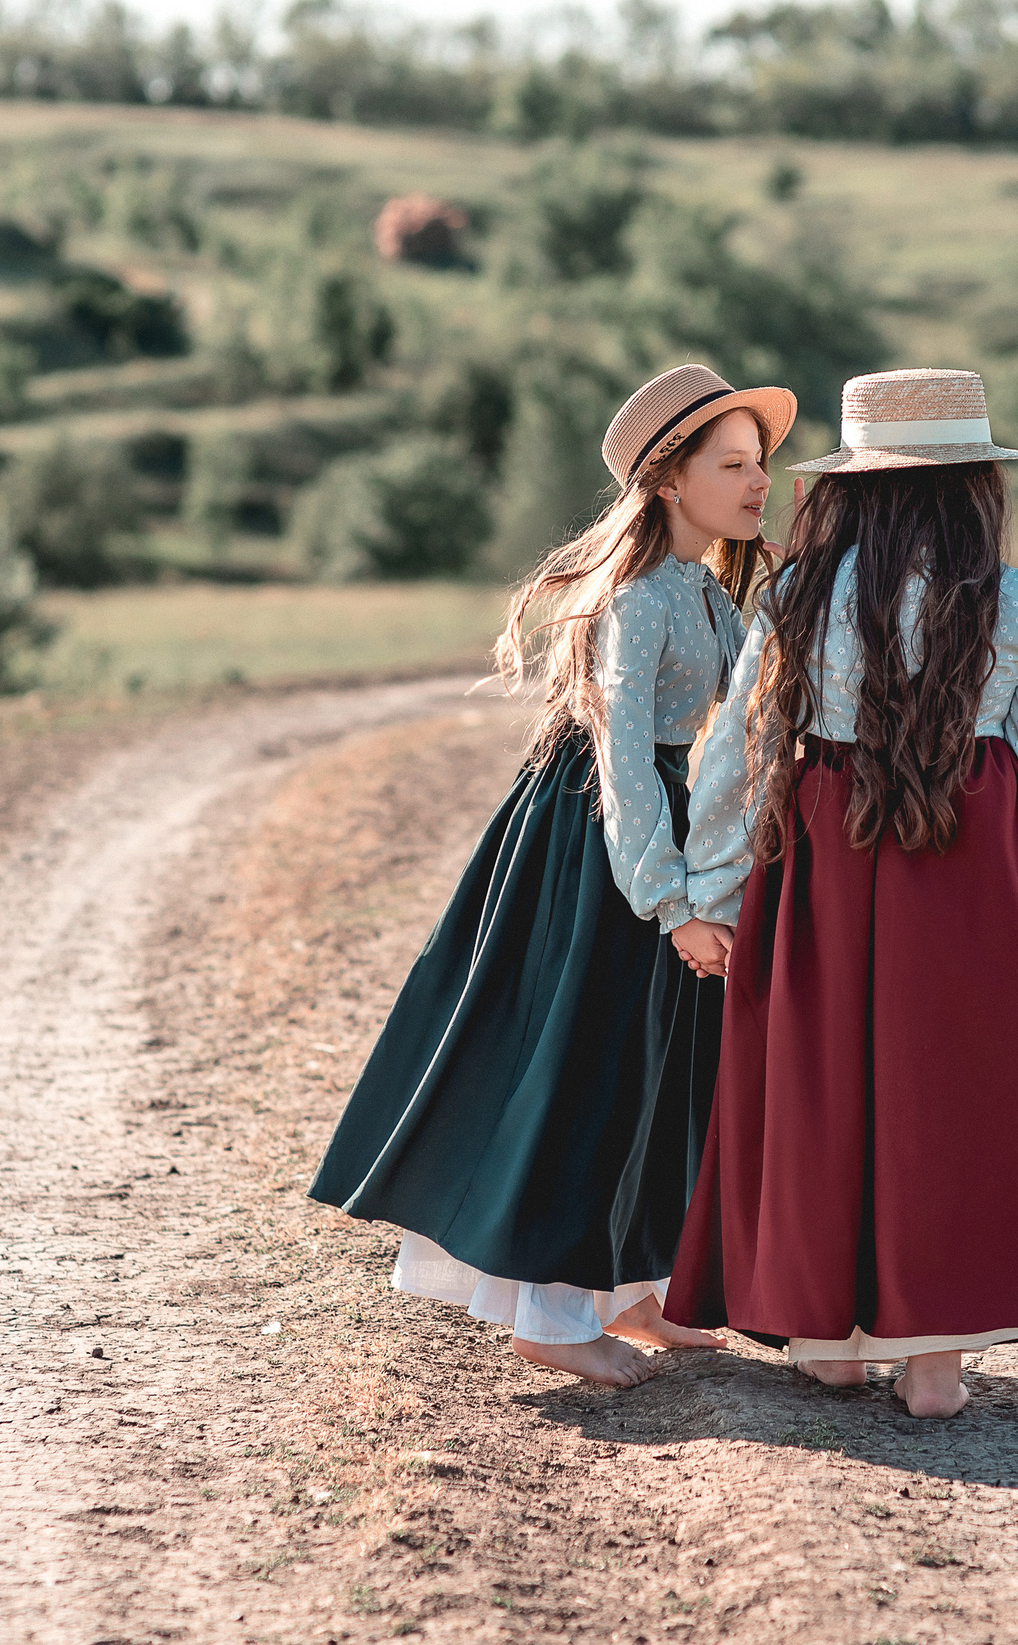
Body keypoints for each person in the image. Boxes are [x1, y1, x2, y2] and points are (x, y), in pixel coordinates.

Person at [661, 368, 1018, 1419]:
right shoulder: (1016, 604)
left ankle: (829, 1339)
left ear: (852, 488)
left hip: (822, 860)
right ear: (976, 485)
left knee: (819, 1086)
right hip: (971, 867)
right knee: (960, 1097)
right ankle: (934, 1362)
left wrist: (704, 893)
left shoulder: (794, 594)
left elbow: (735, 761)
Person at [310, 364, 796, 1388]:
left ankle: (631, 1291)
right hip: (598, 847)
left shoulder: (704, 589)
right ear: (669, 479)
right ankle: (549, 1312)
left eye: (762, 464)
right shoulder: (636, 600)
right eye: (734, 465)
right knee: (591, 1061)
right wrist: (669, 904)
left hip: (649, 832)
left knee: (662, 1062)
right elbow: (619, 758)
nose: (760, 483)